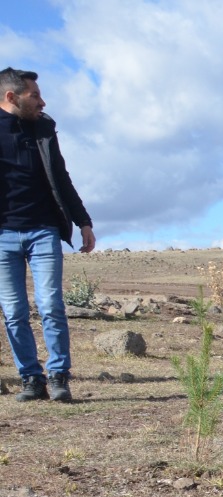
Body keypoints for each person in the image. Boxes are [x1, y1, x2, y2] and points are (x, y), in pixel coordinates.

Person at [1, 68, 94, 404]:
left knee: (51, 304)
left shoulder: (43, 129)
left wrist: (82, 221)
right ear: (11, 98)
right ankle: (31, 378)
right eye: (34, 96)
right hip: (3, 236)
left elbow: (61, 177)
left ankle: (58, 376)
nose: (42, 101)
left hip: (43, 231)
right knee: (13, 310)